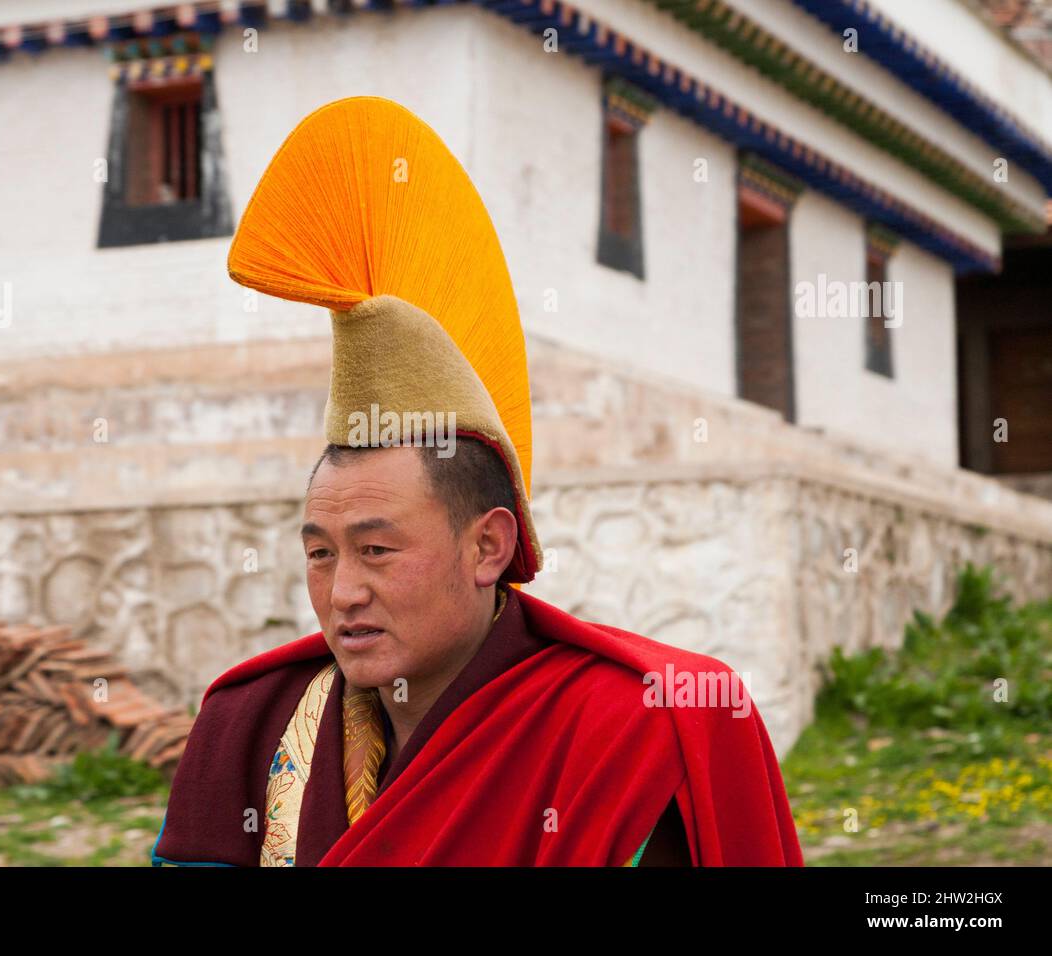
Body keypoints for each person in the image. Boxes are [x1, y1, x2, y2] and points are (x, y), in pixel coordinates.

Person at [153, 96, 803, 866]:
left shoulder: (625, 729)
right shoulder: (253, 721)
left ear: (488, 545)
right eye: (320, 553)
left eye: (378, 550)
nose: (343, 592)